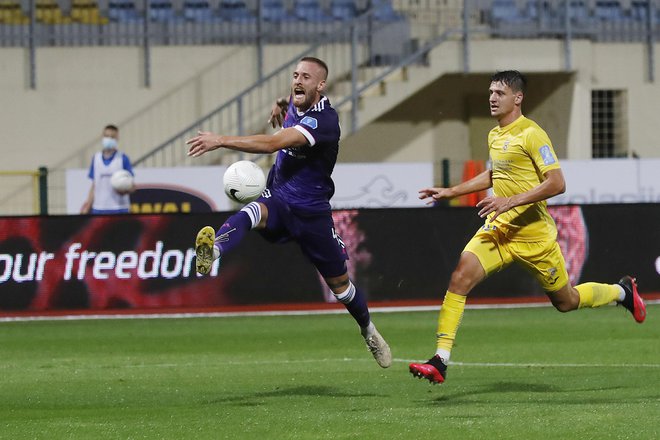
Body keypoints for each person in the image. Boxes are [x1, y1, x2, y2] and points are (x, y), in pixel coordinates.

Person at [409, 70, 647, 384]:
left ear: (517, 98)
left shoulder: (532, 134)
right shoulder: (495, 134)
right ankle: (440, 359)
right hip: (499, 231)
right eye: (491, 92)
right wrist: (451, 191)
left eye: (500, 93)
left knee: (567, 301)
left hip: (534, 237)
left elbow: (557, 183)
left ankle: (621, 292)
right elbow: (494, 175)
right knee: (460, 276)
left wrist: (510, 202)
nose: (492, 98)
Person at [186, 57, 392, 368]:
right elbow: (292, 104)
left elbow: (272, 144)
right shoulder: (297, 103)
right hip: (280, 199)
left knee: (342, 289)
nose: (298, 81)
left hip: (312, 215)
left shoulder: (324, 122)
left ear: (320, 86)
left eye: (306, 77)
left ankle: (368, 330)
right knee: (252, 211)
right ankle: (214, 249)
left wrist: (221, 140)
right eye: (295, 75)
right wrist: (281, 103)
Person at [80, 124, 135, 214]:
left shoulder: (122, 158)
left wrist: (125, 189)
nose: (109, 139)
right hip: (99, 208)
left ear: (117, 139)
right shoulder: (96, 158)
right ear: (102, 137)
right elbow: (94, 185)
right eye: (106, 136)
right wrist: (88, 206)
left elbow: (132, 185)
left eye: (112, 137)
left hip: (119, 208)